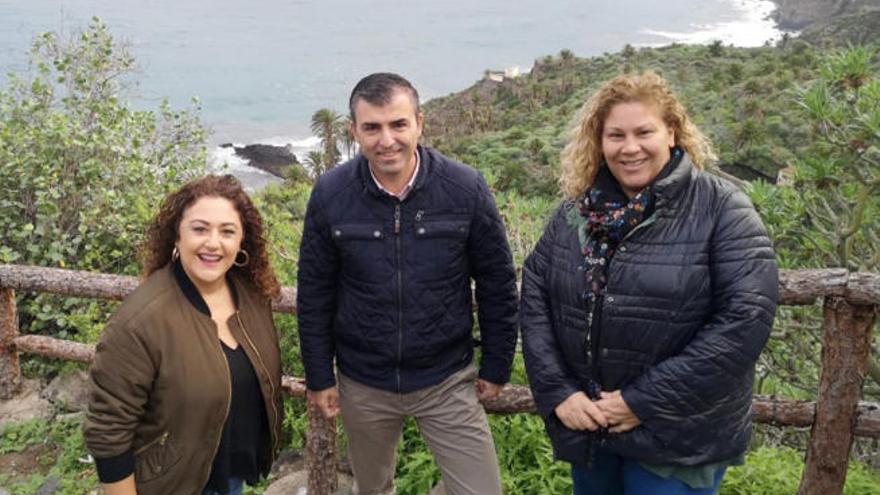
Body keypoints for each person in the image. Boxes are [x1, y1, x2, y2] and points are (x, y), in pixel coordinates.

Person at [520, 71, 778, 494]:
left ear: (672, 133)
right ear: (599, 142)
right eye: (616, 135)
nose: (630, 147)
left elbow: (745, 320)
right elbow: (534, 295)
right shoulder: (577, 213)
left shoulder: (721, 208)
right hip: (591, 427)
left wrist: (641, 403)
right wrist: (560, 392)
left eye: (644, 132)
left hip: (678, 438)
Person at [297, 72, 518, 495]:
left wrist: (496, 364)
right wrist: (320, 376)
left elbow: (496, 282)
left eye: (398, 124)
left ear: (419, 122)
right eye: (372, 127)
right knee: (373, 488)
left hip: (446, 377)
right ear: (353, 131)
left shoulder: (464, 187)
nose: (387, 140)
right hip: (364, 380)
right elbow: (315, 292)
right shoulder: (331, 193)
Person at [84, 175, 284, 495]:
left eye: (227, 231)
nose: (213, 243)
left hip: (229, 477)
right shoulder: (140, 321)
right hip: (171, 484)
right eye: (200, 229)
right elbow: (109, 432)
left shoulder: (252, 296)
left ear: (242, 240)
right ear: (177, 235)